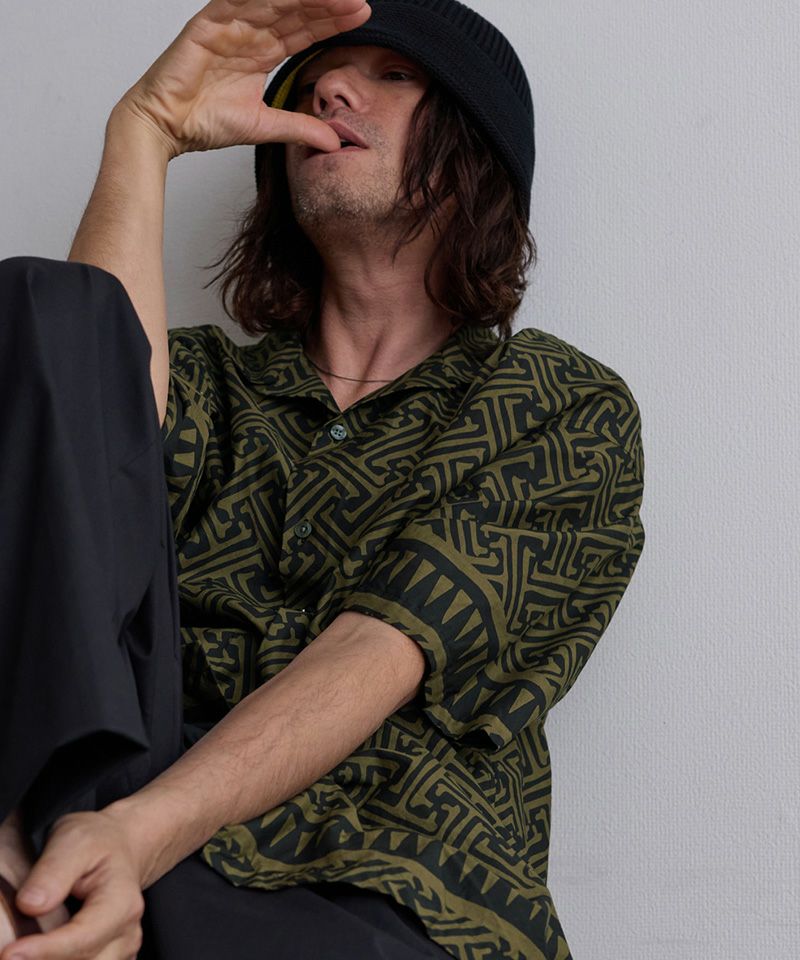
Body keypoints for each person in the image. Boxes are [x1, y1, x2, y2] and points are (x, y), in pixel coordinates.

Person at [0, 0, 646, 957]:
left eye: (393, 74)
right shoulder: (205, 385)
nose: (331, 87)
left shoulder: (556, 403)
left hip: (384, 885)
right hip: (104, 827)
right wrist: (146, 129)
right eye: (315, 79)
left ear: (477, 150)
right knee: (42, 308)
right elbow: (77, 475)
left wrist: (135, 838)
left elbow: (374, 655)